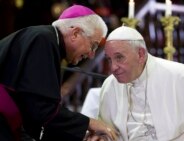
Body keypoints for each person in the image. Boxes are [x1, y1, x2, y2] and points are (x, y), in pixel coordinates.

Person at [0, 4, 117, 141]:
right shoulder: (42, 41)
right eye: (93, 45)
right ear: (75, 34)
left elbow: (37, 115)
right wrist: (90, 123)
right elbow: (43, 110)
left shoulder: (48, 41)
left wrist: (83, 134)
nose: (91, 55)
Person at [97, 26, 184, 141]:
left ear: (140, 54)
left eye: (119, 57)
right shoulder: (110, 85)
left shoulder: (179, 75)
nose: (113, 67)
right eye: (109, 60)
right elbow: (105, 131)